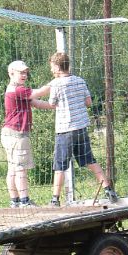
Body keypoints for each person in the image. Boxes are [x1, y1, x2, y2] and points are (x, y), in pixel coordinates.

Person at [47, 51, 118, 206]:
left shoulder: (56, 84)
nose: (51, 70)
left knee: (60, 165)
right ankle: (109, 189)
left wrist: (35, 102)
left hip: (65, 130)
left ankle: (55, 199)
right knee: (89, 160)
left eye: (52, 67)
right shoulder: (80, 81)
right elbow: (88, 102)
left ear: (58, 67)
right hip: (81, 128)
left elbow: (52, 104)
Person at [0, 60, 52, 208]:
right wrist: (57, 81)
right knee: (20, 168)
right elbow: (40, 92)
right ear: (11, 73)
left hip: (9, 133)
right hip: (17, 134)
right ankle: (24, 201)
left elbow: (37, 103)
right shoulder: (18, 90)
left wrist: (54, 105)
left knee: (13, 168)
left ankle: (14, 201)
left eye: (25, 72)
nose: (24, 75)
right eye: (20, 72)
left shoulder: (17, 91)